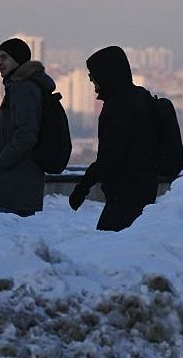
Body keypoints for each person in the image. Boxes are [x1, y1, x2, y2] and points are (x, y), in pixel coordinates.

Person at [69, 45, 158, 231]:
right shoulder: (139, 97)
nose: (90, 79)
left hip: (126, 195)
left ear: (107, 74)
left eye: (93, 74)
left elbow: (110, 156)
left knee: (110, 243)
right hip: (139, 190)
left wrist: (82, 188)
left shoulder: (120, 107)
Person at [0, 37, 55, 217]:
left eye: (4, 57)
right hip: (21, 183)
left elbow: (26, 135)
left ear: (18, 59)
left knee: (4, 232)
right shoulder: (21, 86)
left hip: (13, 186)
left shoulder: (23, 88)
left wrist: (0, 164)